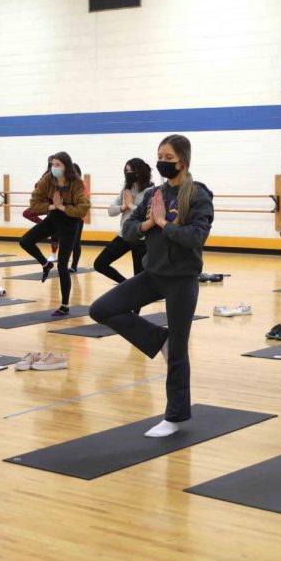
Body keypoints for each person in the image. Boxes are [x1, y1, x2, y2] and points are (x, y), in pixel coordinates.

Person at [90, 134, 214, 437]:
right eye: (160, 156)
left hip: (182, 280)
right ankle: (160, 339)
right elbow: (129, 231)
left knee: (179, 352)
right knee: (102, 308)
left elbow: (196, 237)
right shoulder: (153, 194)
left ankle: (175, 416)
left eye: (168, 158)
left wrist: (163, 225)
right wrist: (147, 223)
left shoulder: (197, 194)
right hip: (153, 274)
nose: (162, 162)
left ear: (182, 160)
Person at [18, 152, 90, 316]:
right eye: (53, 165)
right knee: (25, 241)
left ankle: (64, 305)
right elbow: (34, 204)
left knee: (62, 266)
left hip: (71, 222)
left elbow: (83, 208)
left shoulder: (76, 183)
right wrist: (52, 207)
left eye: (58, 165)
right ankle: (45, 263)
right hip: (54, 217)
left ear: (66, 166)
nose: (54, 168)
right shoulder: (47, 179)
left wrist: (63, 207)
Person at [93, 158, 151, 284]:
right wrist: (123, 207)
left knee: (140, 278)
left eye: (131, 171)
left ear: (140, 171)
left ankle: (139, 294)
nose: (128, 173)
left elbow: (147, 216)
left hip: (140, 239)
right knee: (99, 264)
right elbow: (111, 211)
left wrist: (130, 205)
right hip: (124, 235)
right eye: (126, 171)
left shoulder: (150, 192)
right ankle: (126, 285)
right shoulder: (126, 190)